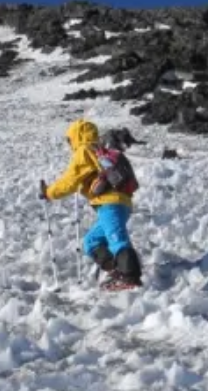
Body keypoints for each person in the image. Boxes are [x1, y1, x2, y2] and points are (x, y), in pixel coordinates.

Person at [40, 121, 143, 291]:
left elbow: (70, 181)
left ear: (76, 136)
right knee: (91, 242)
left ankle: (130, 277)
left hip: (111, 202)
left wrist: (49, 192)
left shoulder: (84, 151)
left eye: (69, 139)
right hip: (118, 203)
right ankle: (117, 270)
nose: (69, 144)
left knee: (117, 239)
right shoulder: (98, 149)